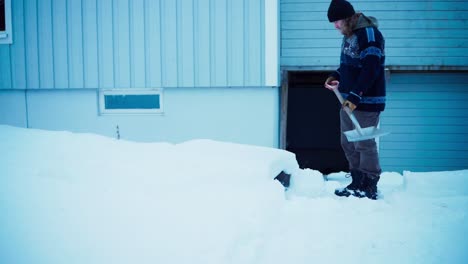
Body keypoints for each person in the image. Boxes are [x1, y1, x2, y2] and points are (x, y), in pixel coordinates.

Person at [323, 0, 386, 200]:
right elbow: (349, 66)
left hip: (366, 100)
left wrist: (356, 95)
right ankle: (357, 180)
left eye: (337, 21)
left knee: (363, 142)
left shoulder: (369, 35)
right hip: (349, 99)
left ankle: (369, 184)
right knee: (347, 141)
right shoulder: (348, 36)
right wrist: (336, 76)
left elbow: (371, 69)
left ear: (348, 18)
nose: (335, 26)